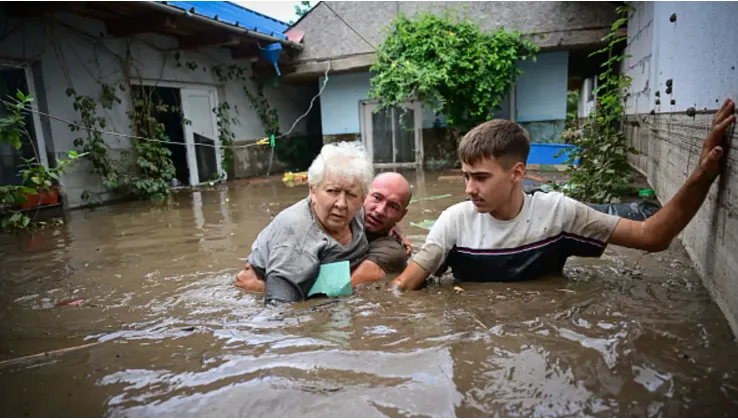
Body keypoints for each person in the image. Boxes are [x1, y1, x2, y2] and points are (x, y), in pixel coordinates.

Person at [392, 98, 736, 291]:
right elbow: (402, 289)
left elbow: (653, 236)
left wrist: (702, 174)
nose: (469, 189)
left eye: (480, 178)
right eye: (466, 177)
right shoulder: (455, 221)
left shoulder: (559, 213)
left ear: (517, 174)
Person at [236, 171, 413, 294]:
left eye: (393, 206)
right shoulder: (343, 210)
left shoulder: (392, 252)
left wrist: (263, 288)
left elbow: (342, 286)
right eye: (377, 198)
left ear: (401, 215)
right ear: (362, 194)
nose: (380, 210)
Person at [241, 141, 374, 305]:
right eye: (332, 191)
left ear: (362, 200)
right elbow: (279, 309)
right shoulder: (296, 234)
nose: (341, 203)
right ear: (313, 191)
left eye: (351, 194)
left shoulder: (360, 213)